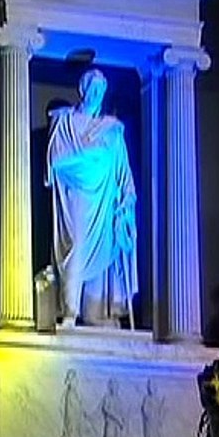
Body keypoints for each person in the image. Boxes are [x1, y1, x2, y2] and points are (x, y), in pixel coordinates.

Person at [45, 68, 138, 328]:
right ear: (83, 90)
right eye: (92, 88)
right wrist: (92, 155)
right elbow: (56, 161)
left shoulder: (111, 130)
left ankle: (94, 312)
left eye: (101, 90)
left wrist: (127, 200)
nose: (96, 94)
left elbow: (123, 171)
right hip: (76, 197)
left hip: (104, 200)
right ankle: (70, 311)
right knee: (75, 246)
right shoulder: (65, 123)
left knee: (104, 252)